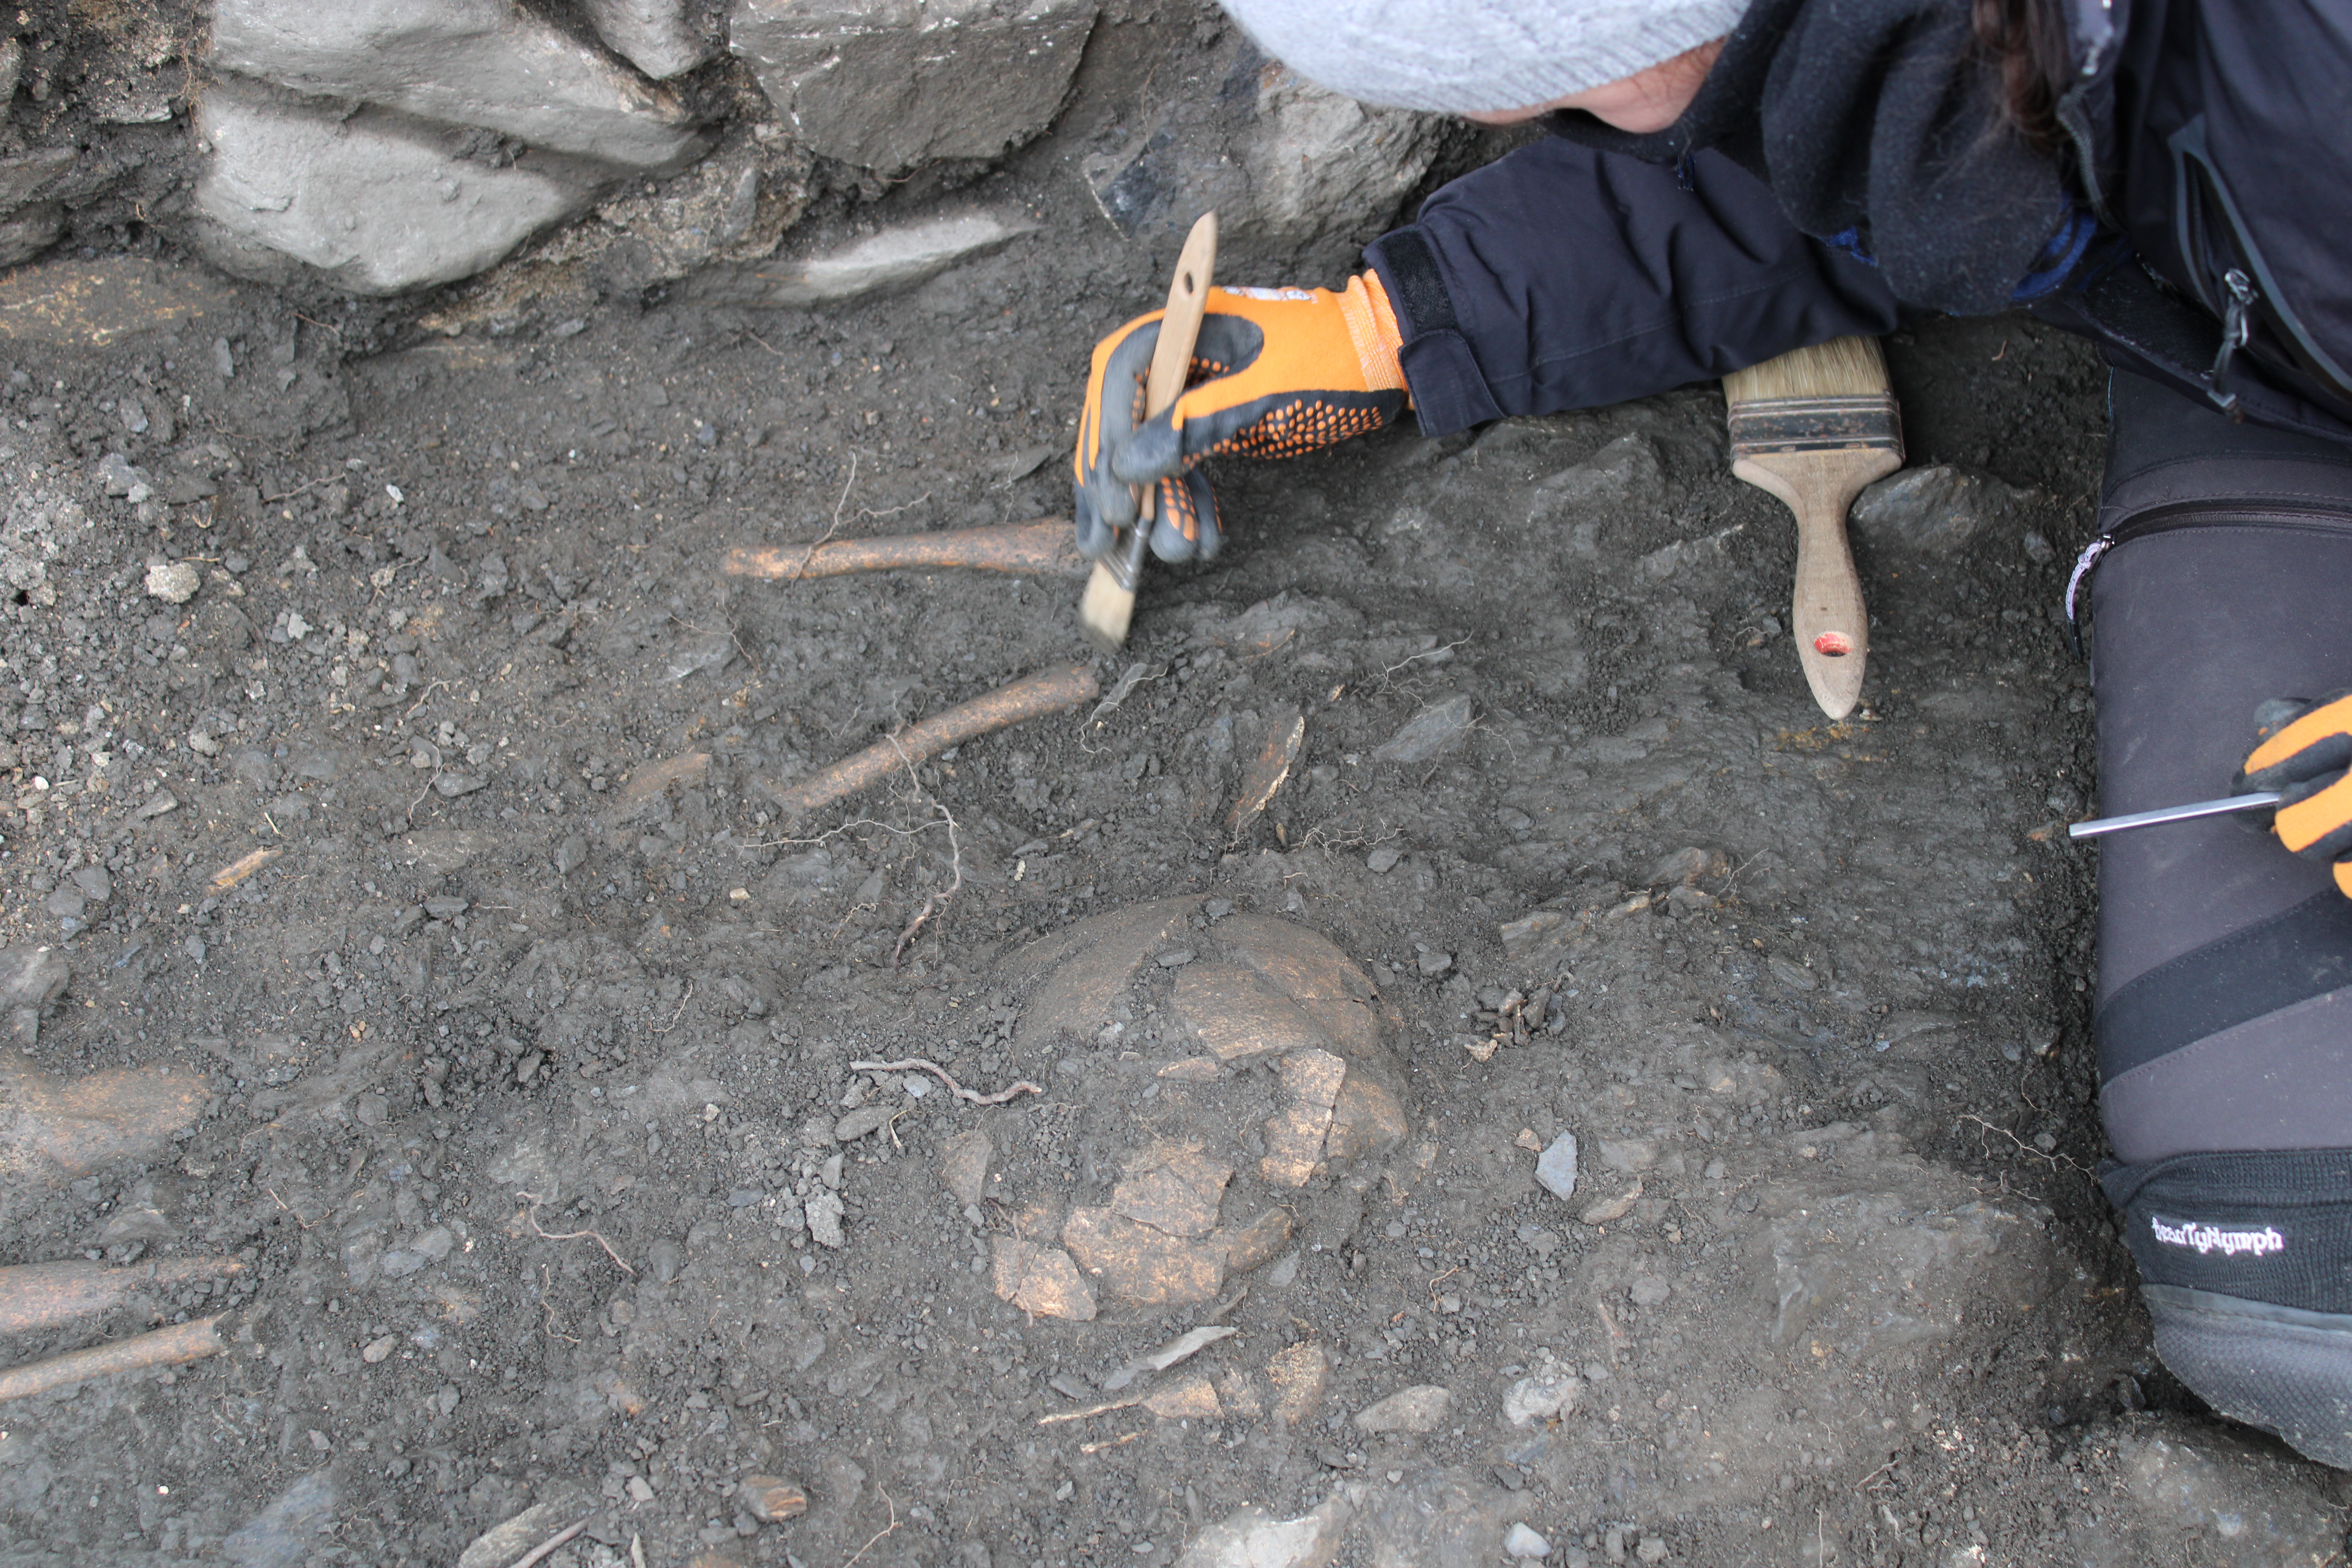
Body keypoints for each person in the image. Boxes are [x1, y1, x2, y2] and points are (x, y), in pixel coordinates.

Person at [1071, 0, 2352, 1466]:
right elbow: (1840, 147)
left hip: (2298, 249)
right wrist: (1400, 325)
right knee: (2275, 1244)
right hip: (2268, 357)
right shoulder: (1955, 43)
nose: (1503, 118)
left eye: (1558, 75)